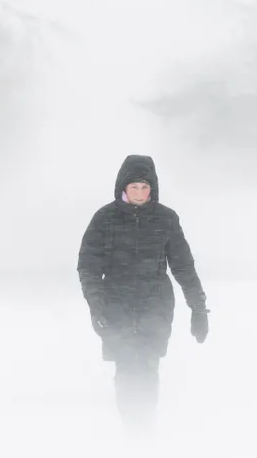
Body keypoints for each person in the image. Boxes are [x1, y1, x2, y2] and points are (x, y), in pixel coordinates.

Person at [77, 154, 209, 431]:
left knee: (148, 367)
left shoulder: (166, 219)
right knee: (125, 366)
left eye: (145, 187)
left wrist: (198, 308)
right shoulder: (105, 219)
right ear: (123, 188)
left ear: (153, 188)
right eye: (134, 187)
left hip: (155, 304)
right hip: (115, 304)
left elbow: (183, 266)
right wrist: (96, 303)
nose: (139, 193)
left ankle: (144, 427)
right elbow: (88, 266)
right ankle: (132, 428)